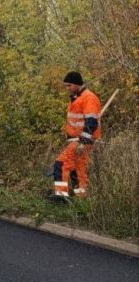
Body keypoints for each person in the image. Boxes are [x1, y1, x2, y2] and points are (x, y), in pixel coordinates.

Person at [51, 71, 101, 200]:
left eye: (69, 85)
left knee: (61, 164)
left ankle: (61, 197)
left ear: (78, 84)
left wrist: (83, 141)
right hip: (77, 140)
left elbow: (91, 122)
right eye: (66, 86)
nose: (67, 88)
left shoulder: (88, 98)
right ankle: (80, 197)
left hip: (82, 141)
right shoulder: (76, 98)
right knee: (79, 169)